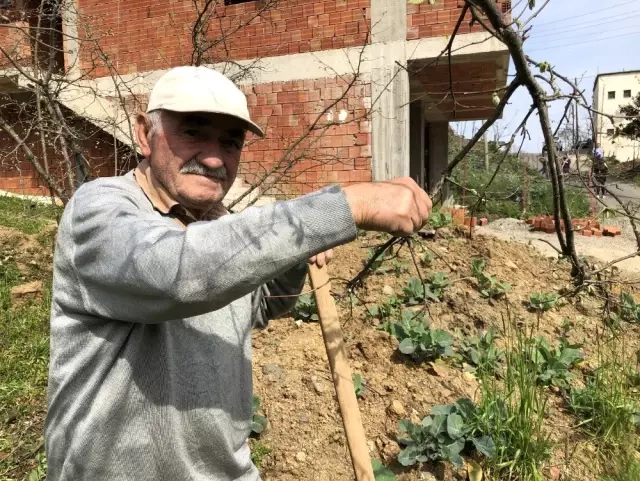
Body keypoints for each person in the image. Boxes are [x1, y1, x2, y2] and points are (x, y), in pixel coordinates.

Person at [43, 66, 433, 481]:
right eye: (193, 133)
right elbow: (176, 273)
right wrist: (337, 209)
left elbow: (257, 305)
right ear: (144, 134)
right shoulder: (100, 210)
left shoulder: (220, 224)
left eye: (230, 143)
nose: (214, 158)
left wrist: (294, 255)